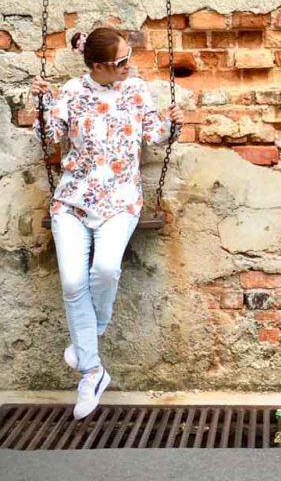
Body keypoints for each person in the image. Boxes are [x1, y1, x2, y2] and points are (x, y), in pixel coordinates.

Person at [31, 27, 184, 420]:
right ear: (97, 65)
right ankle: (91, 371)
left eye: (128, 57)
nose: (128, 66)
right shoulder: (70, 92)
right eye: (120, 62)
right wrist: (42, 105)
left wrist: (172, 122)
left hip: (120, 201)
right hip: (72, 202)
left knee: (105, 269)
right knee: (71, 282)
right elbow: (49, 138)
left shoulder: (135, 92)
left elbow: (154, 134)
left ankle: (87, 340)